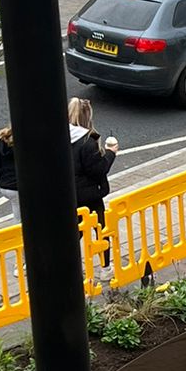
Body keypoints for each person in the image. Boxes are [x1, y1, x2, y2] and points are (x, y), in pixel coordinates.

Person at [68, 96, 118, 259]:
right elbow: (98, 169)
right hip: (90, 193)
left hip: (70, 193)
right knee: (101, 230)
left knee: (75, 232)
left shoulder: (60, 137)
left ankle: (67, 262)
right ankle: (105, 266)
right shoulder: (86, 142)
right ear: (87, 117)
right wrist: (111, 153)